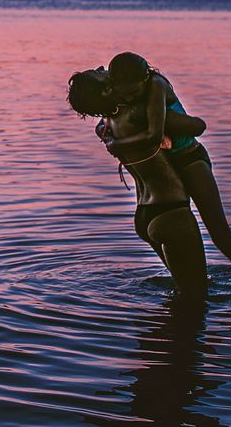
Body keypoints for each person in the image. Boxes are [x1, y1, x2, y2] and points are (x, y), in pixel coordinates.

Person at [104, 53, 231, 296]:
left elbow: (155, 135)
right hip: (173, 165)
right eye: (124, 93)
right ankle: (195, 285)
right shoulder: (129, 94)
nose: (130, 97)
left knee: (220, 235)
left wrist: (117, 144)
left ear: (145, 77)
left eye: (133, 91)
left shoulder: (156, 85)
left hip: (191, 160)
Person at [68, 70, 208, 301]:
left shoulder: (104, 128)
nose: (105, 69)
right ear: (106, 90)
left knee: (184, 294)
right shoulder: (141, 114)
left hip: (144, 213)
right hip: (171, 212)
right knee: (196, 299)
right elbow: (197, 126)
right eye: (99, 73)